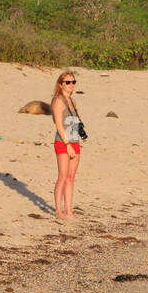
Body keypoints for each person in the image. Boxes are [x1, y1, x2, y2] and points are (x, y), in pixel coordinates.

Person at [50, 70, 83, 219]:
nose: (71, 85)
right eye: (68, 82)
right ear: (61, 84)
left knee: (71, 177)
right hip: (63, 142)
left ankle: (68, 209)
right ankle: (59, 210)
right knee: (62, 176)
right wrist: (67, 144)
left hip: (74, 140)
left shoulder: (73, 101)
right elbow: (58, 124)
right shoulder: (58, 101)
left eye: (73, 82)